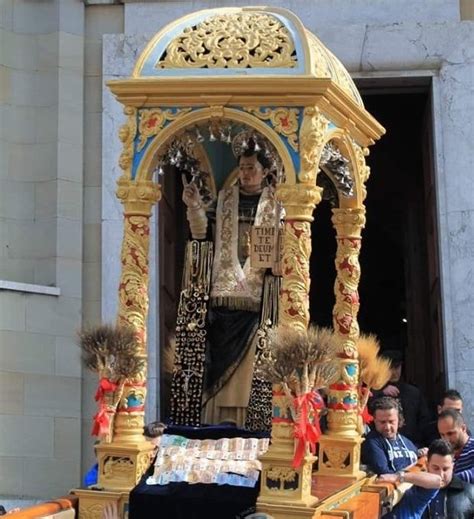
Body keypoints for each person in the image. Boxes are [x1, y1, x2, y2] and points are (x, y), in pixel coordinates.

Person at [177, 139, 279, 430]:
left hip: (258, 300)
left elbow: (292, 245)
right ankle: (214, 422)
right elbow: (201, 236)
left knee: (252, 367)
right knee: (216, 362)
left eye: (251, 168)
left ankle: (249, 425)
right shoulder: (224, 201)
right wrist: (194, 206)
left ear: (265, 171)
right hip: (223, 298)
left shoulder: (277, 205)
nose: (246, 173)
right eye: (242, 168)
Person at [380, 439, 474, 519]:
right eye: (436, 468)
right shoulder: (418, 490)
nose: (441, 474)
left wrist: (398, 476)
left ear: (453, 466)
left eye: (445, 469)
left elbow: (436, 481)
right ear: (427, 465)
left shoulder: (470, 492)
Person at [370, 349, 430, 446]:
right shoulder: (373, 392)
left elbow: (424, 421)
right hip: (382, 444)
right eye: (390, 368)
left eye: (397, 367)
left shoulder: (413, 392)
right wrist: (380, 392)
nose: (394, 372)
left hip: (412, 443)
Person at [362, 396, 419, 475]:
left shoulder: (406, 441)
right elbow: (383, 472)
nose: (387, 427)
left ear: (398, 419)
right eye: (382, 422)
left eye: (391, 421)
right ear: (374, 420)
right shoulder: (372, 442)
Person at [438, 408, 474, 483]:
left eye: (450, 433)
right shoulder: (443, 455)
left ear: (463, 428)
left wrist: (445, 481)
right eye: (442, 435)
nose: (446, 439)